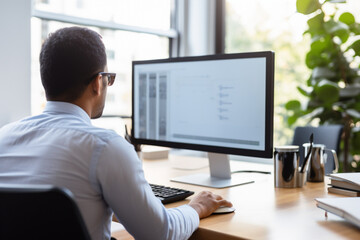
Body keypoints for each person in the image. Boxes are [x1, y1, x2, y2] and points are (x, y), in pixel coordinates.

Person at [0, 27, 232, 240]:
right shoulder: (104, 146)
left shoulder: (4, 137)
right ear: (97, 83)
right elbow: (160, 233)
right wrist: (196, 207)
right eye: (109, 79)